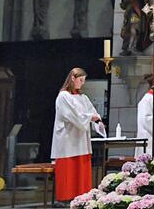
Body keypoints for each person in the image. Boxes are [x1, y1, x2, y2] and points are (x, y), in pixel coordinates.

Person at [52, 68, 102, 206]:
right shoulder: (63, 96)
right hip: (67, 140)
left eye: (84, 81)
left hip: (81, 139)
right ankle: (66, 198)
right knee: (69, 170)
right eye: (81, 80)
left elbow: (92, 112)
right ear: (73, 78)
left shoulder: (83, 97)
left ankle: (83, 197)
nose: (82, 83)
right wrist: (90, 118)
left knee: (82, 168)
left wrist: (98, 121)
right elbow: (72, 115)